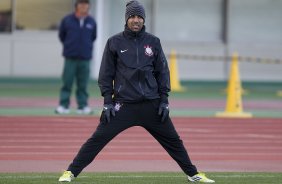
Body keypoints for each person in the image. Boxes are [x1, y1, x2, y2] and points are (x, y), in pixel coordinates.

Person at [59, 0, 215, 183]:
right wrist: (108, 102)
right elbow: (105, 75)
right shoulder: (114, 42)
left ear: (143, 19)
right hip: (123, 105)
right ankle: (70, 172)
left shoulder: (153, 42)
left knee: (174, 141)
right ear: (126, 19)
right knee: (97, 139)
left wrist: (164, 100)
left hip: (152, 104)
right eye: (132, 16)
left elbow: (162, 72)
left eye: (139, 17)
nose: (136, 20)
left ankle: (193, 174)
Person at [55, 0, 97, 115]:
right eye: (81, 3)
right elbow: (62, 36)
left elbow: (93, 37)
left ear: (88, 6)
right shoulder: (67, 20)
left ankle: (82, 106)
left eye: (86, 4)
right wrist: (70, 47)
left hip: (85, 58)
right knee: (67, 82)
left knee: (83, 84)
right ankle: (63, 105)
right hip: (70, 57)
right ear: (76, 6)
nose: (84, 6)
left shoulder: (91, 21)